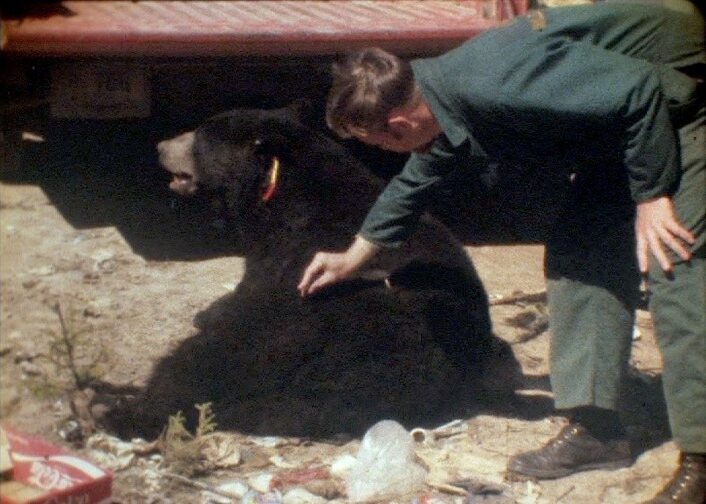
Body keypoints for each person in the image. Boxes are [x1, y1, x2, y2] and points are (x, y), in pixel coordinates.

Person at [296, 1, 704, 502]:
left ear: (398, 126)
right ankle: (598, 430)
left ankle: (700, 456)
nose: (383, 153)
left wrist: (652, 195)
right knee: (581, 256)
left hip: (676, 102)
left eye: (377, 144)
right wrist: (354, 256)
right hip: (622, 123)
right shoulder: (439, 98)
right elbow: (417, 180)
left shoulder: (493, 83)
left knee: (675, 262)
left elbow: (642, 90)